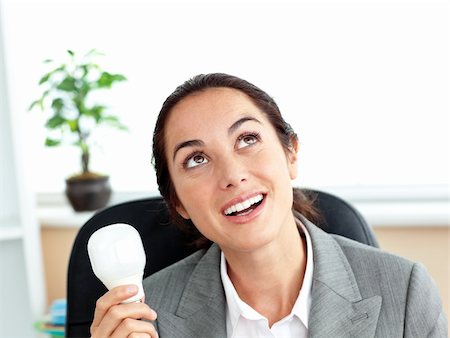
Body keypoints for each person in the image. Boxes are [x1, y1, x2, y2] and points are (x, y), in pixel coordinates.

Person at [90, 73, 448, 337]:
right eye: (196, 159)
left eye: (247, 139)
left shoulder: (405, 291)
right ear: (177, 202)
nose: (232, 175)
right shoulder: (147, 316)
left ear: (290, 153)